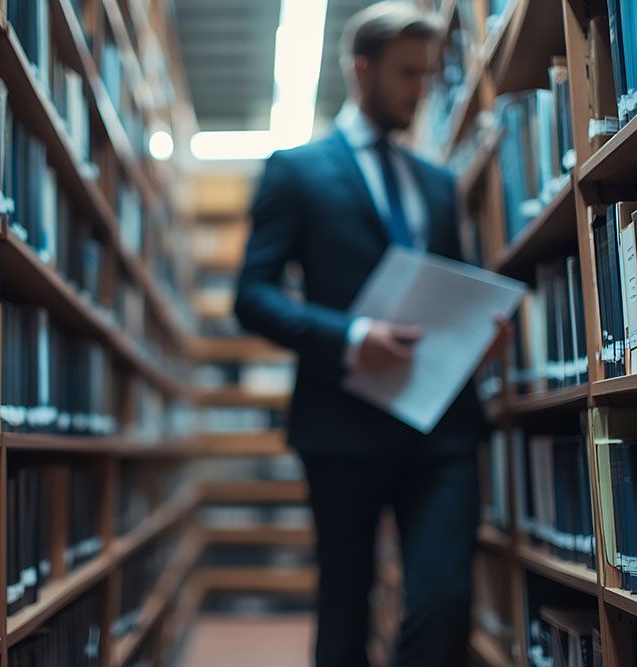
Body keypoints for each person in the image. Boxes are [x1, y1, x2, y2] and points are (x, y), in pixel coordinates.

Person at [233, 3, 509, 665]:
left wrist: (479, 333)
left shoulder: (439, 184)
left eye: (428, 75)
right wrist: (353, 335)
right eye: (407, 73)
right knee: (345, 608)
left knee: (444, 599)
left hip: (439, 425)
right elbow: (253, 296)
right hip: (342, 424)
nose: (420, 89)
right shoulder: (296, 169)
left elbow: (457, 285)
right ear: (363, 69)